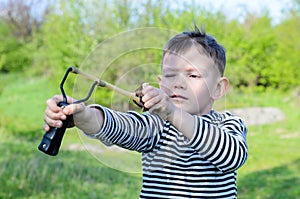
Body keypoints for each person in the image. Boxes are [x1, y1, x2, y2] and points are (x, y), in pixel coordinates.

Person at [43, 25, 248, 198]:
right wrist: (81, 114)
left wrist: (173, 113)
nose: (178, 84)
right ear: (160, 82)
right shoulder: (157, 125)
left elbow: (231, 157)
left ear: (218, 88)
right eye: (170, 75)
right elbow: (120, 127)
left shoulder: (227, 124)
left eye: (193, 76)